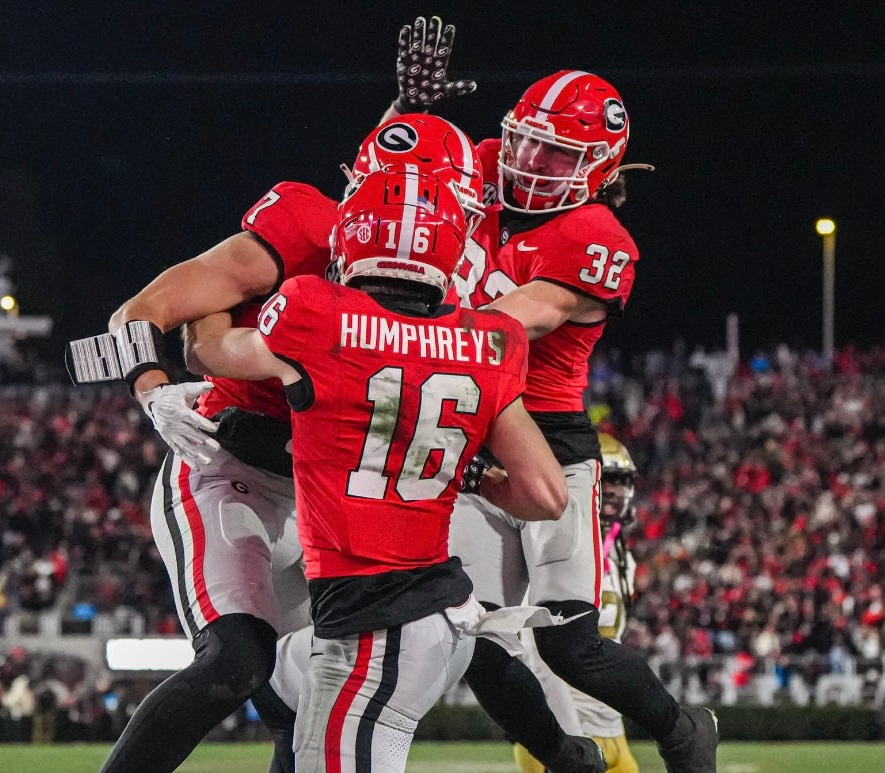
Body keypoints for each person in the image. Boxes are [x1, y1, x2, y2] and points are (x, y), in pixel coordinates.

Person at [70, 113, 487, 773]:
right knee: (237, 662)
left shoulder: (454, 285)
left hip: (323, 504)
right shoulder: (303, 229)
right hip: (231, 468)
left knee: (302, 704)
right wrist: (153, 387)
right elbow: (143, 309)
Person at [379, 17, 718, 772]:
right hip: (465, 438)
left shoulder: (596, 235)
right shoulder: (488, 163)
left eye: (555, 152)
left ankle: (681, 728)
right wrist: (408, 115)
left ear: (598, 166)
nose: (529, 162)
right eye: (525, 140)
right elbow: (390, 188)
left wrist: (390, 323)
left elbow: (514, 319)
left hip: (551, 439)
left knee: (571, 646)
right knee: (467, 629)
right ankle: (564, 757)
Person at [184, 165, 568, 773]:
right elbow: (546, 495)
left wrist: (209, 301)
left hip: (370, 626)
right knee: (278, 685)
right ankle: (572, 758)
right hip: (445, 616)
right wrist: (461, 473)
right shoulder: (491, 338)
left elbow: (208, 351)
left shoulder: (317, 312)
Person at [514, 433, 641, 773]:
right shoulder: (551, 542)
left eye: (622, 480)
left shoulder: (621, 554)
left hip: (611, 728)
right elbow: (537, 649)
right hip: (564, 728)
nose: (613, 490)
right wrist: (568, 740)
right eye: (607, 478)